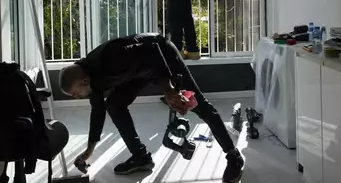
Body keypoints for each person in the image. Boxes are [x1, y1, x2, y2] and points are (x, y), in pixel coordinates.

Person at [59, 33, 245, 183]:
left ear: (84, 80)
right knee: (114, 105)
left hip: (161, 54)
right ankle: (141, 157)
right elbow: (98, 112)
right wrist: (89, 150)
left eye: (76, 94)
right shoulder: (91, 81)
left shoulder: (110, 59)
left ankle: (233, 155)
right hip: (139, 70)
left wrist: (169, 89)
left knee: (199, 104)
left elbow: (153, 51)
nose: (78, 97)